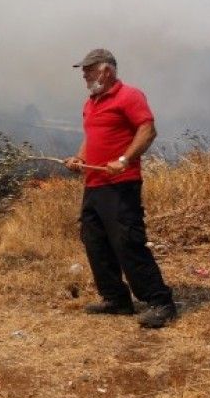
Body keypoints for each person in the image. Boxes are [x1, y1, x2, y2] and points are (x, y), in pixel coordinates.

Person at [64, 48, 176, 328]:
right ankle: (116, 300)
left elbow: (147, 130)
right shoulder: (91, 102)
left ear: (106, 71)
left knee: (127, 243)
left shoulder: (130, 96)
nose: (85, 75)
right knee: (95, 242)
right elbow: (91, 138)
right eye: (84, 70)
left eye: (89, 69)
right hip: (94, 185)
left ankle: (161, 302)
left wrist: (124, 160)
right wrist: (80, 159)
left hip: (121, 185)